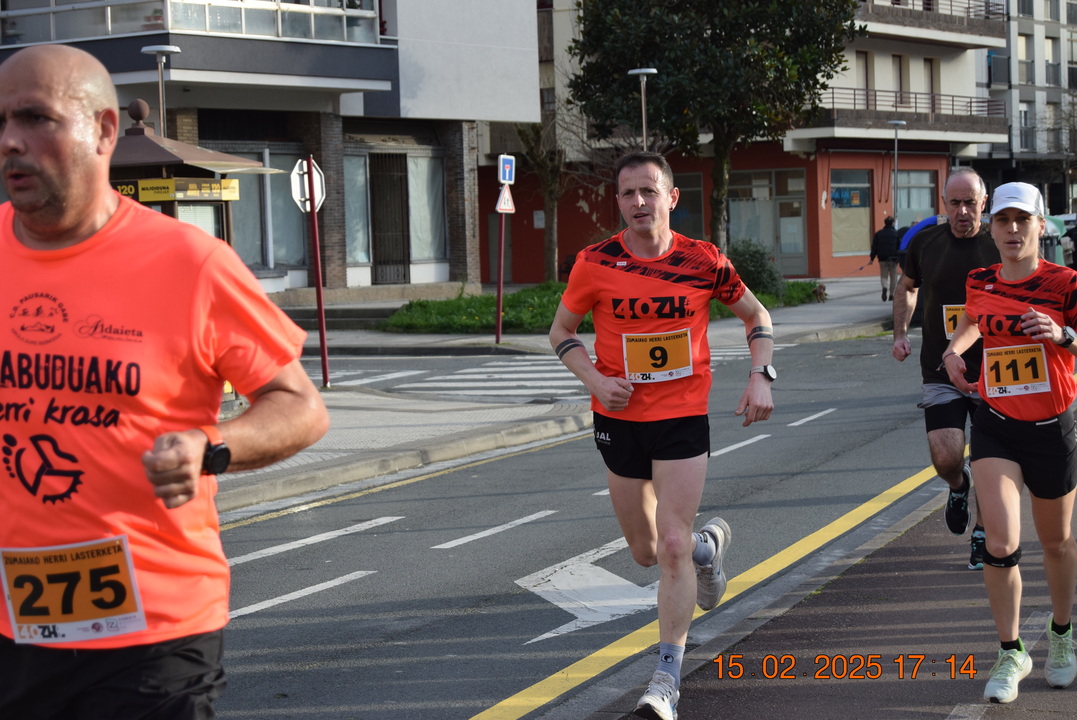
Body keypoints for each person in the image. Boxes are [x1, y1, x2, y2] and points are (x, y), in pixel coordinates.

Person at [0, 44, 329, 718]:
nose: (10, 140)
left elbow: (299, 406)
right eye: (1, 121)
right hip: (14, 625)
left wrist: (209, 446)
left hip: (154, 630)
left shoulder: (190, 263)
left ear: (103, 130)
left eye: (36, 118)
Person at [549, 151, 774, 720]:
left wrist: (760, 375)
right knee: (647, 552)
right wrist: (596, 380)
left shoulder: (703, 260)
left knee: (670, 542)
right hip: (619, 422)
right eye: (628, 193)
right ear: (618, 202)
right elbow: (561, 331)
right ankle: (707, 549)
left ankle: (665, 680)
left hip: (681, 418)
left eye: (649, 190)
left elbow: (757, 316)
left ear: (672, 198)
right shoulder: (594, 262)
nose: (639, 202)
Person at [941, 182, 1077, 704]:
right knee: (998, 544)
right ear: (991, 227)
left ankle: (1061, 635)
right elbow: (972, 320)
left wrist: (1062, 335)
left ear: (1042, 225)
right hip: (996, 423)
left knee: (1056, 542)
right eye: (1003, 220)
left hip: (1052, 429)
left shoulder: (1065, 284)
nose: (1013, 229)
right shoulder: (980, 279)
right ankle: (1011, 650)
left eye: (1023, 220)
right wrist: (954, 352)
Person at [892, 168, 999, 570]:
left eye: (970, 203)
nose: (963, 211)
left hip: (994, 372)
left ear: (983, 203)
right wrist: (900, 334)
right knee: (945, 456)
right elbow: (907, 287)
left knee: (991, 460)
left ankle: (983, 535)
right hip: (940, 368)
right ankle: (958, 484)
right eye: (955, 203)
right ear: (944, 204)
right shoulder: (926, 243)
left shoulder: (999, 244)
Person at [869, 215, 900, 301]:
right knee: (893, 277)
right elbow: (899, 246)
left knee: (884, 276)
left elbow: (874, 247)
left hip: (882, 258)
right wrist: (900, 257)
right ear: (893, 223)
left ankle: (885, 287)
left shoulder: (878, 234)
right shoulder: (896, 234)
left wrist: (872, 258)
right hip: (893, 259)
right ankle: (892, 294)